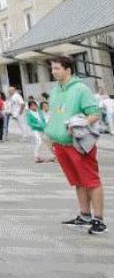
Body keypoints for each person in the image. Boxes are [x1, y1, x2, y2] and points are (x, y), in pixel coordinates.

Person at [45, 56, 104, 235]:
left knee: (91, 181)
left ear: (68, 69)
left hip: (77, 144)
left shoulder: (80, 89)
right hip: (60, 144)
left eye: (56, 68)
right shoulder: (55, 90)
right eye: (52, 69)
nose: (53, 72)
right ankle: (85, 215)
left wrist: (80, 123)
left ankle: (99, 220)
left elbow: (95, 113)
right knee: (78, 181)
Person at [25, 99, 52, 163]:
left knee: (48, 142)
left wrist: (45, 125)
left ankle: (53, 155)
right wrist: (38, 125)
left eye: (34, 105)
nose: (33, 107)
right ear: (29, 107)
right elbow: (30, 123)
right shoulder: (29, 114)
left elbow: (43, 119)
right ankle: (36, 156)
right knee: (39, 141)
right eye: (32, 106)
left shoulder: (39, 112)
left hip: (43, 129)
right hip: (35, 130)